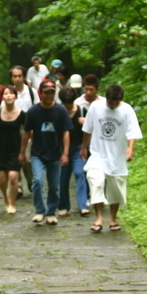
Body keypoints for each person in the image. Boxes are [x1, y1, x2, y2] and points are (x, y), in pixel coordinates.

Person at [81, 84, 143, 232]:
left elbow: (132, 131)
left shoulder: (127, 109)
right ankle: (99, 218)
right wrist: (83, 147)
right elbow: (88, 128)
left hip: (117, 155)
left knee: (116, 188)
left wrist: (130, 148)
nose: (113, 106)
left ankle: (113, 219)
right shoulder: (96, 107)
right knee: (96, 182)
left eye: (116, 103)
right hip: (98, 154)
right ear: (106, 98)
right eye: (110, 102)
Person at [19, 80, 73, 225]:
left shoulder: (60, 111)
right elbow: (27, 132)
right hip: (38, 153)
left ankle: (51, 212)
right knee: (37, 181)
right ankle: (39, 210)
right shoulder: (33, 111)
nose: (49, 95)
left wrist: (65, 153)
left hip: (55, 153)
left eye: (52, 92)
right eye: (46, 92)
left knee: (54, 186)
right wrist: (22, 152)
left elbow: (66, 133)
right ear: (40, 93)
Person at [0, 85, 25, 214]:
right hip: (1, 147)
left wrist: (25, 148)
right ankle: (5, 197)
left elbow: (27, 131)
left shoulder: (22, 114)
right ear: (2, 97)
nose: (8, 96)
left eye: (11, 93)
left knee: (13, 177)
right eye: (6, 94)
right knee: (3, 180)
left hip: (16, 148)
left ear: (15, 96)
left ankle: (12, 203)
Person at [58, 87, 89, 218]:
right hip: (62, 149)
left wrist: (86, 123)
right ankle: (63, 206)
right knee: (63, 178)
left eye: (70, 104)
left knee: (80, 173)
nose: (68, 107)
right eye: (66, 104)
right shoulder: (58, 111)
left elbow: (91, 128)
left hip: (78, 147)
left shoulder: (82, 110)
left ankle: (83, 206)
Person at [8, 65, 37, 194]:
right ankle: (18, 186)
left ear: (24, 77)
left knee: (26, 158)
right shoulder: (9, 93)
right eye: (15, 76)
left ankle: (31, 181)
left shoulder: (32, 92)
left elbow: (38, 110)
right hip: (13, 129)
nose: (17, 79)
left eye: (20, 76)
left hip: (29, 128)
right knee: (15, 157)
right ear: (11, 78)